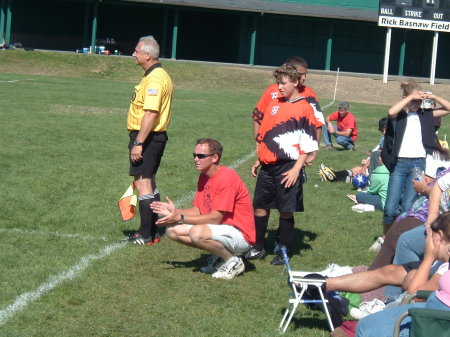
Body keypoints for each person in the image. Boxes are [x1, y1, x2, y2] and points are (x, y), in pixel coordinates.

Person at [150, 138, 256, 280]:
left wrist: (180, 218)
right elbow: (198, 210)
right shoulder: (204, 176)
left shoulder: (226, 178)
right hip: (224, 229)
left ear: (215, 158)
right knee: (172, 230)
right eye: (194, 155)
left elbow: (215, 218)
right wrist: (174, 211)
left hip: (242, 235)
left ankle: (233, 261)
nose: (196, 159)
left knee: (197, 232)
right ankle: (220, 256)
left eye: (201, 156)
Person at [247, 64, 319, 264]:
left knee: (286, 209)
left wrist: (297, 168)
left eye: (283, 83)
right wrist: (259, 159)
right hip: (268, 166)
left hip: (288, 167)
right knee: (260, 207)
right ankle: (258, 247)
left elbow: (308, 142)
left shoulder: (305, 107)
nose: (279, 87)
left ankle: (283, 249)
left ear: (295, 82)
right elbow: (267, 135)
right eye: (278, 82)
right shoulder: (274, 104)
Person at [356, 212, 450, 337]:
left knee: (370, 332)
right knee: (364, 324)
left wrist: (428, 258)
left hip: (438, 322)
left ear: (440, 237)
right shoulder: (445, 264)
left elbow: (414, 293)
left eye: (431, 236)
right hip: (431, 310)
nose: (427, 241)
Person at [381, 80, 450, 235]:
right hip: (399, 163)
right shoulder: (400, 115)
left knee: (408, 207)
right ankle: (384, 237)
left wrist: (433, 96)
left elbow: (448, 108)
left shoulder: (426, 115)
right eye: (414, 101)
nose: (416, 104)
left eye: (419, 101)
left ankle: (399, 238)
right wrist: (409, 97)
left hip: (418, 163)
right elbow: (391, 112)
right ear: (406, 97)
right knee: (390, 208)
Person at [123, 36, 174, 245]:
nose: (133, 54)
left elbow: (151, 113)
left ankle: (145, 234)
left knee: (143, 183)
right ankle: (152, 232)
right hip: (151, 137)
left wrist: (138, 142)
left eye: (136, 51)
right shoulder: (154, 75)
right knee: (149, 183)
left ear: (147, 55)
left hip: (148, 137)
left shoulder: (155, 79)